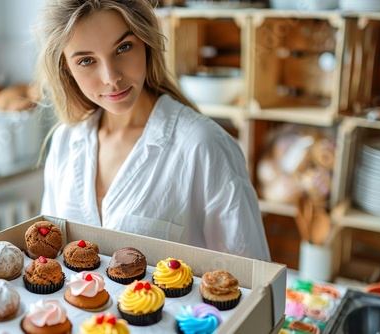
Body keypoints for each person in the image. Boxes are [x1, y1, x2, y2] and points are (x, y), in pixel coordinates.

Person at [33, 0, 270, 261]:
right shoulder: (65, 141)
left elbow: (253, 277)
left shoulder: (204, 145)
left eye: (123, 47)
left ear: (146, 44)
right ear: (66, 68)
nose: (111, 77)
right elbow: (49, 254)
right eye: (87, 61)